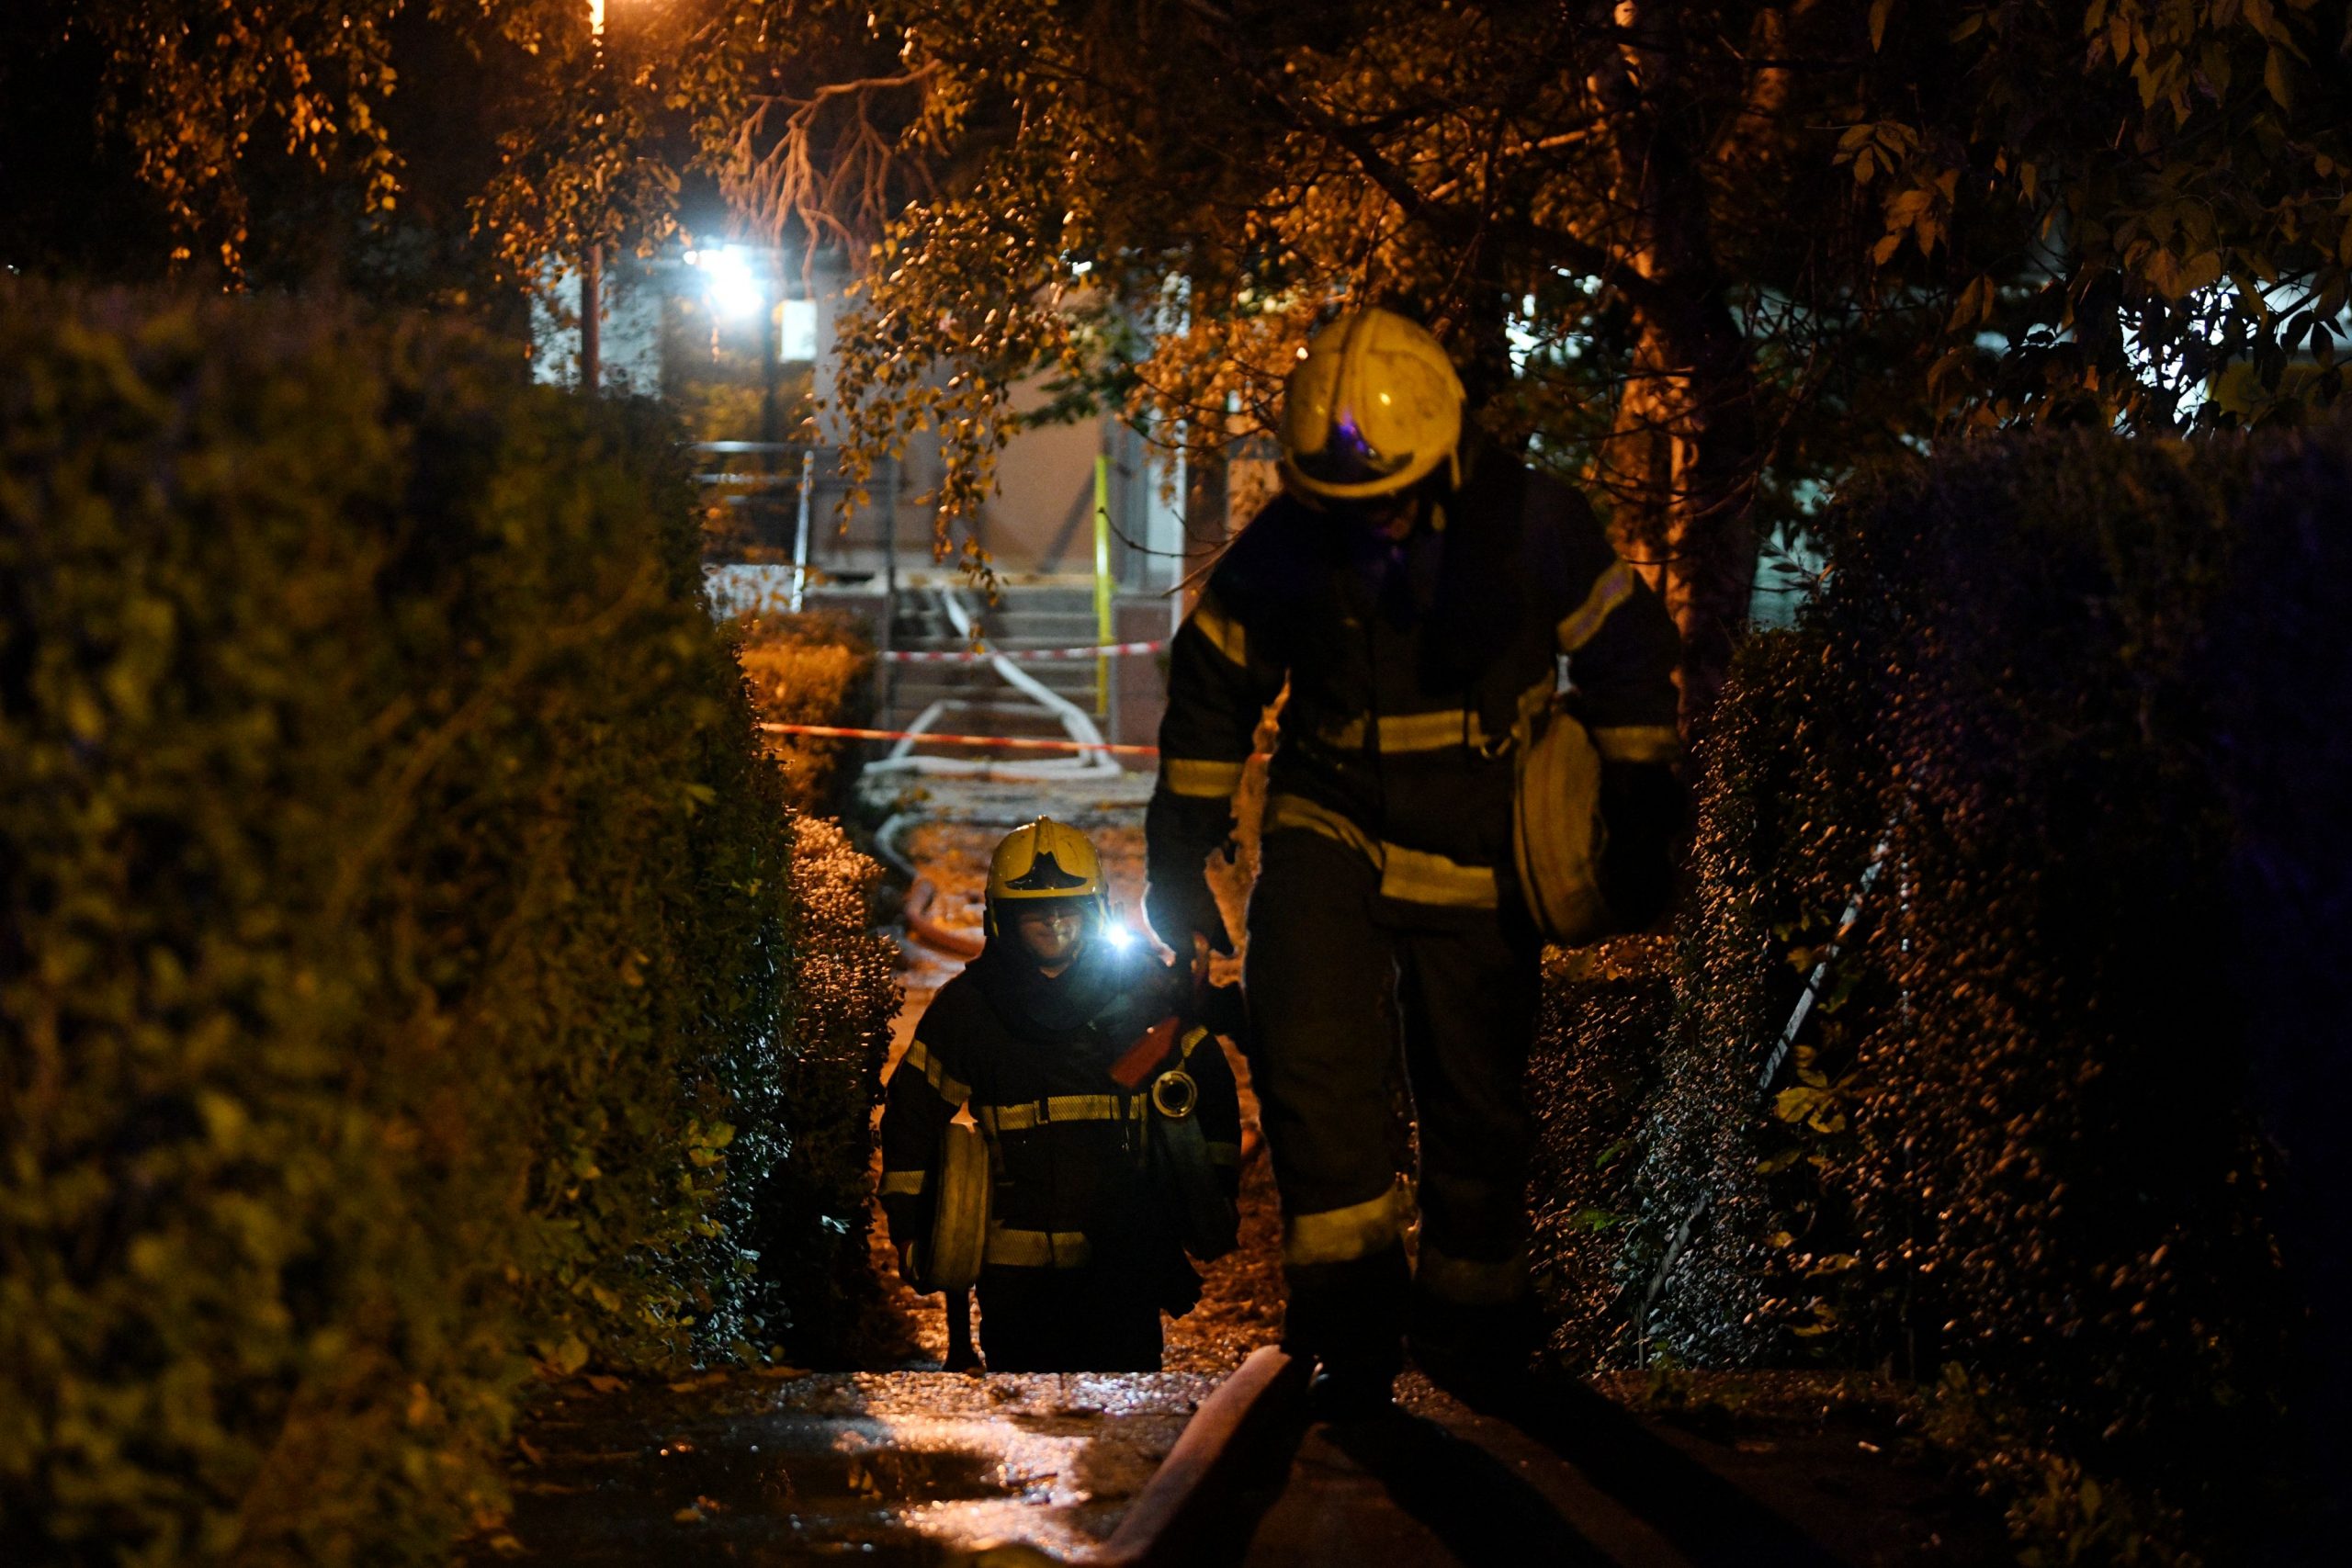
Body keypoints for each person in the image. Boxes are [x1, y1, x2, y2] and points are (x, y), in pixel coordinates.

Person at [1144, 306, 1684, 1414]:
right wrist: (1177, 857)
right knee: (1310, 1063)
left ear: (1441, 453)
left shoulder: (1534, 525)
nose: (1369, 520)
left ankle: (1475, 1327)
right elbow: (1212, 690)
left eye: (1387, 497)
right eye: (1344, 501)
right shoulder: (1295, 535)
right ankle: (1345, 1322)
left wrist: (1638, 818)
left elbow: (1628, 661)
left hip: (1481, 847)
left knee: (1476, 1105)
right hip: (1328, 823)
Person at [879, 818, 1243, 1372]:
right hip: (1016, 1284)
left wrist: (1209, 1197)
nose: (1053, 924)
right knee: (1022, 1415)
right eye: (1036, 913)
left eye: (1067, 911)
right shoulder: (970, 1010)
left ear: (1094, 912)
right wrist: (911, 1233)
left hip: (1124, 1266)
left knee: (1125, 1412)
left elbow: (1209, 1088)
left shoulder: (1142, 995)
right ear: (1003, 918)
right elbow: (912, 1118)